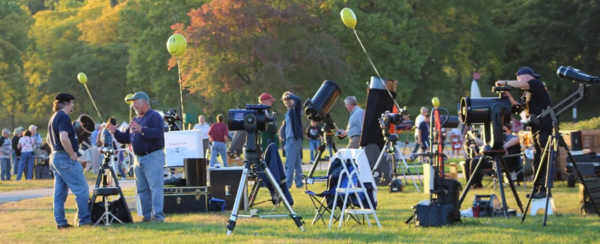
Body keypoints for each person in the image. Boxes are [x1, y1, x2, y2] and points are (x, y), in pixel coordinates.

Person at [496, 67, 553, 198]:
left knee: (545, 158)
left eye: (519, 79)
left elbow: (521, 84)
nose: (519, 83)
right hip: (536, 129)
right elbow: (517, 107)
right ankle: (538, 188)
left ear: (526, 77)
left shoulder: (536, 84)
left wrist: (504, 82)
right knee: (537, 159)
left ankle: (545, 190)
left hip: (545, 127)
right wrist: (506, 93)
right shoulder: (527, 93)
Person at [110, 91, 165, 223]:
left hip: (152, 157)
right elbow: (127, 138)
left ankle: (158, 216)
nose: (133, 105)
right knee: (142, 189)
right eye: (132, 103)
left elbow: (158, 133)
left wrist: (142, 129)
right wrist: (115, 132)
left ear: (145, 102)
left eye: (136, 102)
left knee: (155, 188)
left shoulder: (155, 116)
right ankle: (146, 216)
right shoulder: (135, 120)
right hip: (138, 159)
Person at [47, 93, 91, 229]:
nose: (73, 105)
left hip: (55, 156)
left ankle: (60, 222)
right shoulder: (64, 117)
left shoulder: (53, 117)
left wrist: (56, 152)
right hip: (65, 157)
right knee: (82, 189)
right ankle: (84, 221)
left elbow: (48, 140)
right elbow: (64, 138)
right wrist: (72, 155)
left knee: (59, 193)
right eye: (72, 103)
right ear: (66, 103)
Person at [464, 123, 521, 188]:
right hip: (494, 161)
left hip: (506, 162)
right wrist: (472, 135)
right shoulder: (496, 140)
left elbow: (516, 140)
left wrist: (503, 147)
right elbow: (482, 143)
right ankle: (470, 185)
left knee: (474, 161)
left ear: (508, 129)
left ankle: (476, 185)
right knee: (468, 161)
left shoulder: (512, 137)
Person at [281, 91, 303, 188]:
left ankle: (287, 185)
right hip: (292, 140)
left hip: (293, 140)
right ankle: (299, 184)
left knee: (289, 165)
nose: (286, 102)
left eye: (288, 100)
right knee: (297, 164)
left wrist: (290, 96)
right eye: (284, 100)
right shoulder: (288, 113)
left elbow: (298, 100)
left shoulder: (295, 110)